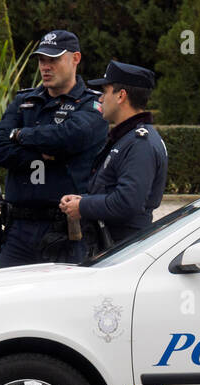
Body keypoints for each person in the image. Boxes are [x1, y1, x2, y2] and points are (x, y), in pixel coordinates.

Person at [0, 29, 107, 267]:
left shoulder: (92, 103)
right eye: (42, 60)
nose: (45, 66)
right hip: (18, 230)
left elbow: (69, 138)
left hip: (65, 230)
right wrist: (42, 154)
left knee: (63, 302)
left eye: (53, 59)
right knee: (5, 299)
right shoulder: (24, 101)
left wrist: (20, 134)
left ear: (75, 59)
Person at [59, 61, 167, 253]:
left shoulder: (140, 143)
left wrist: (83, 206)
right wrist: (82, 199)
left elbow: (127, 203)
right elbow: (110, 191)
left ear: (121, 96)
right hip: (113, 249)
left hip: (124, 251)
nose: (100, 99)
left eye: (105, 92)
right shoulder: (126, 138)